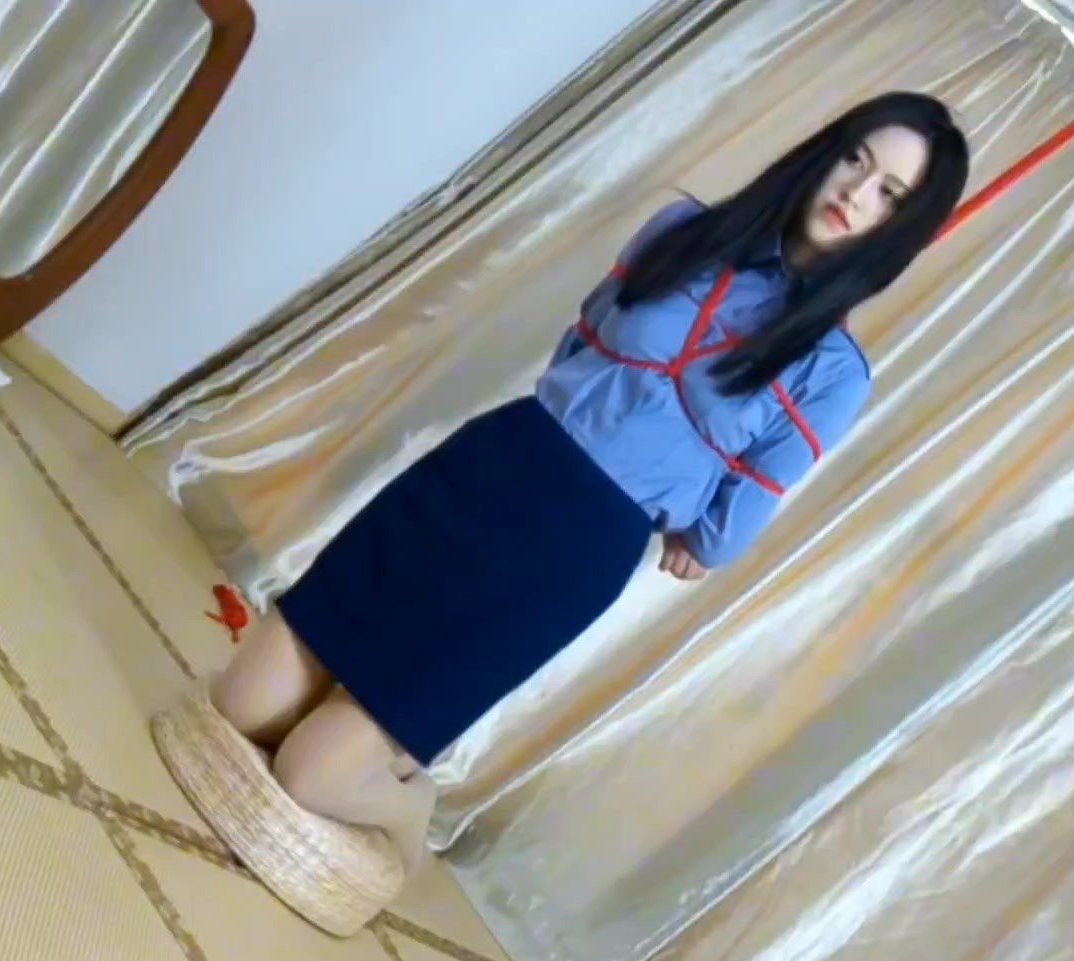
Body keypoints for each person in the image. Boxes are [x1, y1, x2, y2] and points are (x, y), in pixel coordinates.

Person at [206, 91, 970, 870]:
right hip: (495, 460)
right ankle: (342, 717)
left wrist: (687, 522)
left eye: (890, 194)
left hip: (577, 547)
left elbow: (728, 526)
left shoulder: (833, 372)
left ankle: (408, 807)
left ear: (902, 226)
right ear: (825, 151)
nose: (856, 193)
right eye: (855, 160)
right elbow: (582, 340)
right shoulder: (683, 228)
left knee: (310, 775)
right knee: (239, 705)